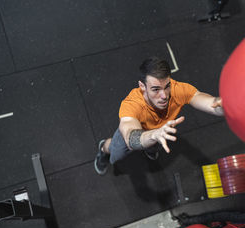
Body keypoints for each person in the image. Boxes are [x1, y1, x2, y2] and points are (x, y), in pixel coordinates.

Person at [94, 57, 223, 175]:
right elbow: (131, 137)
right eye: (156, 89)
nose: (164, 96)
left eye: (166, 86)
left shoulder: (177, 90)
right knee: (115, 155)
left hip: (160, 132)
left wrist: (225, 105)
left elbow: (212, 104)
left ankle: (150, 148)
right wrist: (154, 134)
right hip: (137, 135)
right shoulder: (132, 104)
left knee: (156, 143)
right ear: (142, 86)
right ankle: (103, 147)